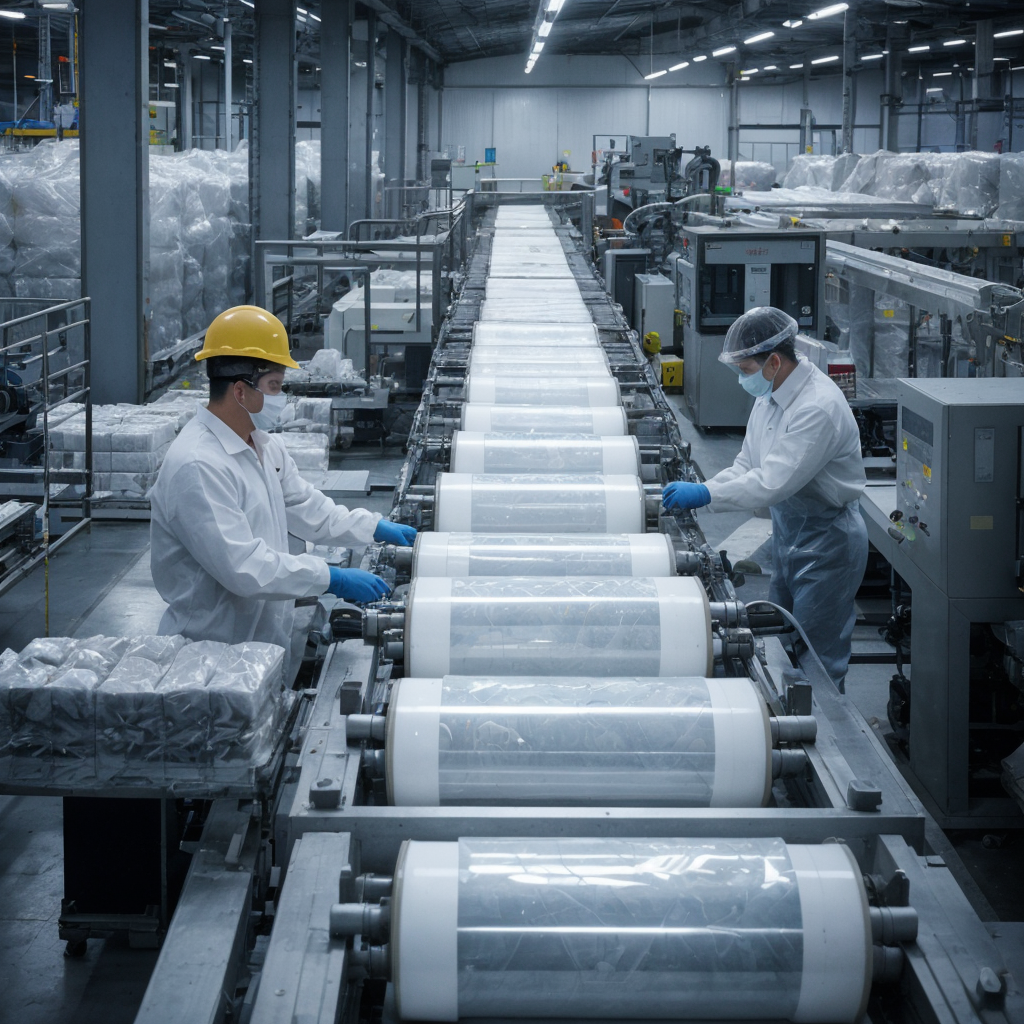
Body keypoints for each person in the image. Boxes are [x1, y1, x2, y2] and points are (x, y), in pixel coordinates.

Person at [150, 305, 415, 671]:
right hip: (210, 656)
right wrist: (330, 577)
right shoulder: (197, 465)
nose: (281, 398)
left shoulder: (261, 444)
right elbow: (243, 567)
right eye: (275, 386)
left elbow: (309, 509)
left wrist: (372, 527)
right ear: (241, 391)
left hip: (262, 644)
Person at [663, 306, 867, 690]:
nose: (743, 380)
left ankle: (824, 738)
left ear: (774, 361)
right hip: (791, 532)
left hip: (828, 542)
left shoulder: (817, 407)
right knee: (782, 639)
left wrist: (706, 494)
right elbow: (747, 464)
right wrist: (705, 489)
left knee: (817, 654)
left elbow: (773, 482)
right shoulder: (771, 394)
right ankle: (785, 717)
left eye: (745, 370)